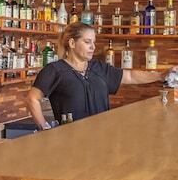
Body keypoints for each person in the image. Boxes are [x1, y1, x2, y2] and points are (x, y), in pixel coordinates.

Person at [25, 22, 170, 129]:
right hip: (70, 142)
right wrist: (44, 128)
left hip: (102, 137)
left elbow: (131, 76)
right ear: (72, 43)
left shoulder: (99, 68)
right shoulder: (55, 70)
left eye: (93, 42)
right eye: (87, 42)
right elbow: (32, 98)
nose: (93, 47)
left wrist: (161, 76)